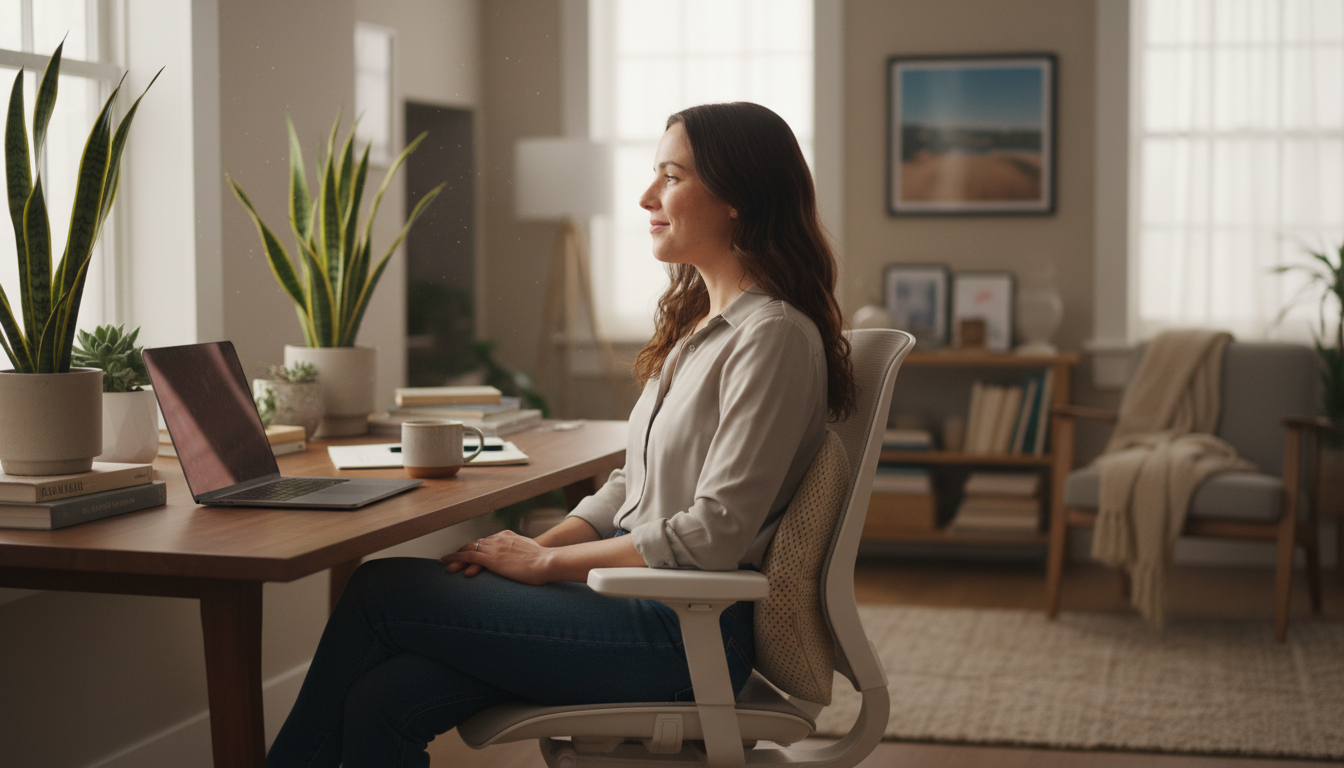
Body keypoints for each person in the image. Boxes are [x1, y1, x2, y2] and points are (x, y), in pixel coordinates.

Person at [265, 101, 855, 768]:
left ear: (737, 199)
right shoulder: (700, 331)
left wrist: (545, 567)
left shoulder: (770, 336)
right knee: (384, 699)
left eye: (671, 176)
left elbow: (714, 531)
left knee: (377, 591)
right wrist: (523, 553)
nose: (646, 197)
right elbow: (630, 488)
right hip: (630, 608)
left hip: (680, 632)